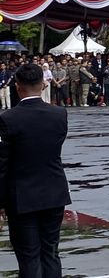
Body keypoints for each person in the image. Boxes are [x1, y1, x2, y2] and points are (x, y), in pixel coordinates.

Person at [0, 63, 71, 276]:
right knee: (50, 252)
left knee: (29, 256)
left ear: (17, 87)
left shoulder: (8, 118)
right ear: (42, 85)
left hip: (22, 196)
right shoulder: (59, 114)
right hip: (54, 191)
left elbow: (2, 165)